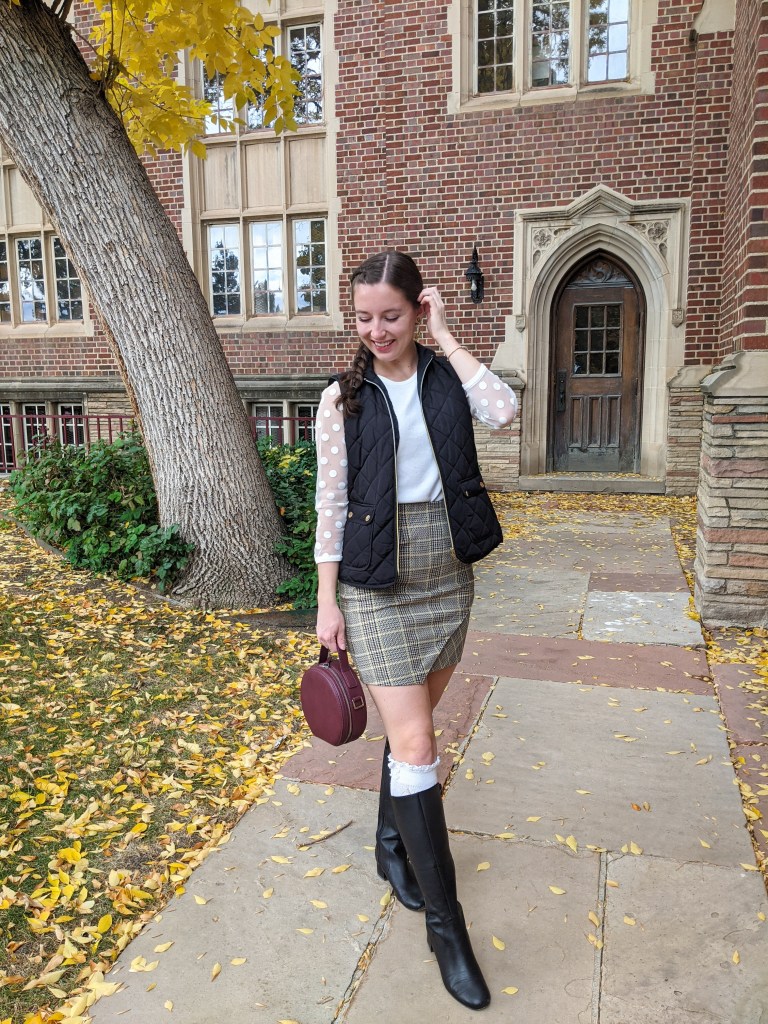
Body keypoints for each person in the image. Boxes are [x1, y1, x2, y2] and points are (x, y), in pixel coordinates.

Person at [314, 250, 517, 1011]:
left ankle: (390, 843)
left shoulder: (443, 377)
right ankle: (446, 926)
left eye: (391, 316)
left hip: (445, 573)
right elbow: (328, 506)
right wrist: (326, 601)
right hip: (376, 580)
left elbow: (504, 411)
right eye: (364, 318)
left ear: (416, 309)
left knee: (412, 737)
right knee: (421, 744)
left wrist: (449, 336)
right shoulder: (344, 399)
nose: (376, 331)